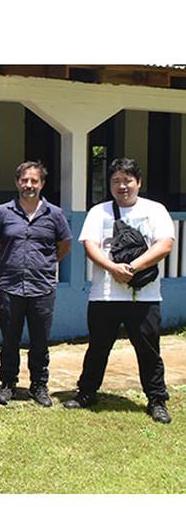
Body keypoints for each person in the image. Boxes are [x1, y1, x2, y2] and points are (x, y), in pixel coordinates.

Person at [65, 158, 175, 423]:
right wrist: (112, 267)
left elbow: (165, 244)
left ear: (138, 182)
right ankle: (87, 392)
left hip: (144, 295)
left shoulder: (155, 210)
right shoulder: (98, 211)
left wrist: (133, 267)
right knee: (98, 347)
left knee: (148, 349)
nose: (122, 186)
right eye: (116, 181)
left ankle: (157, 399)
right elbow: (89, 245)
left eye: (127, 180)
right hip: (104, 295)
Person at [0, 161, 71, 406]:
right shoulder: (4, 212)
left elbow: (64, 245)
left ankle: (38, 385)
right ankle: (8, 384)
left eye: (34, 181)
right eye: (25, 180)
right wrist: (7, 260)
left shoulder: (54, 214)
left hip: (42, 287)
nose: (29, 185)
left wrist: (45, 263)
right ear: (17, 182)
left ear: (42, 184)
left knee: (40, 341)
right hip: (10, 286)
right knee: (9, 339)